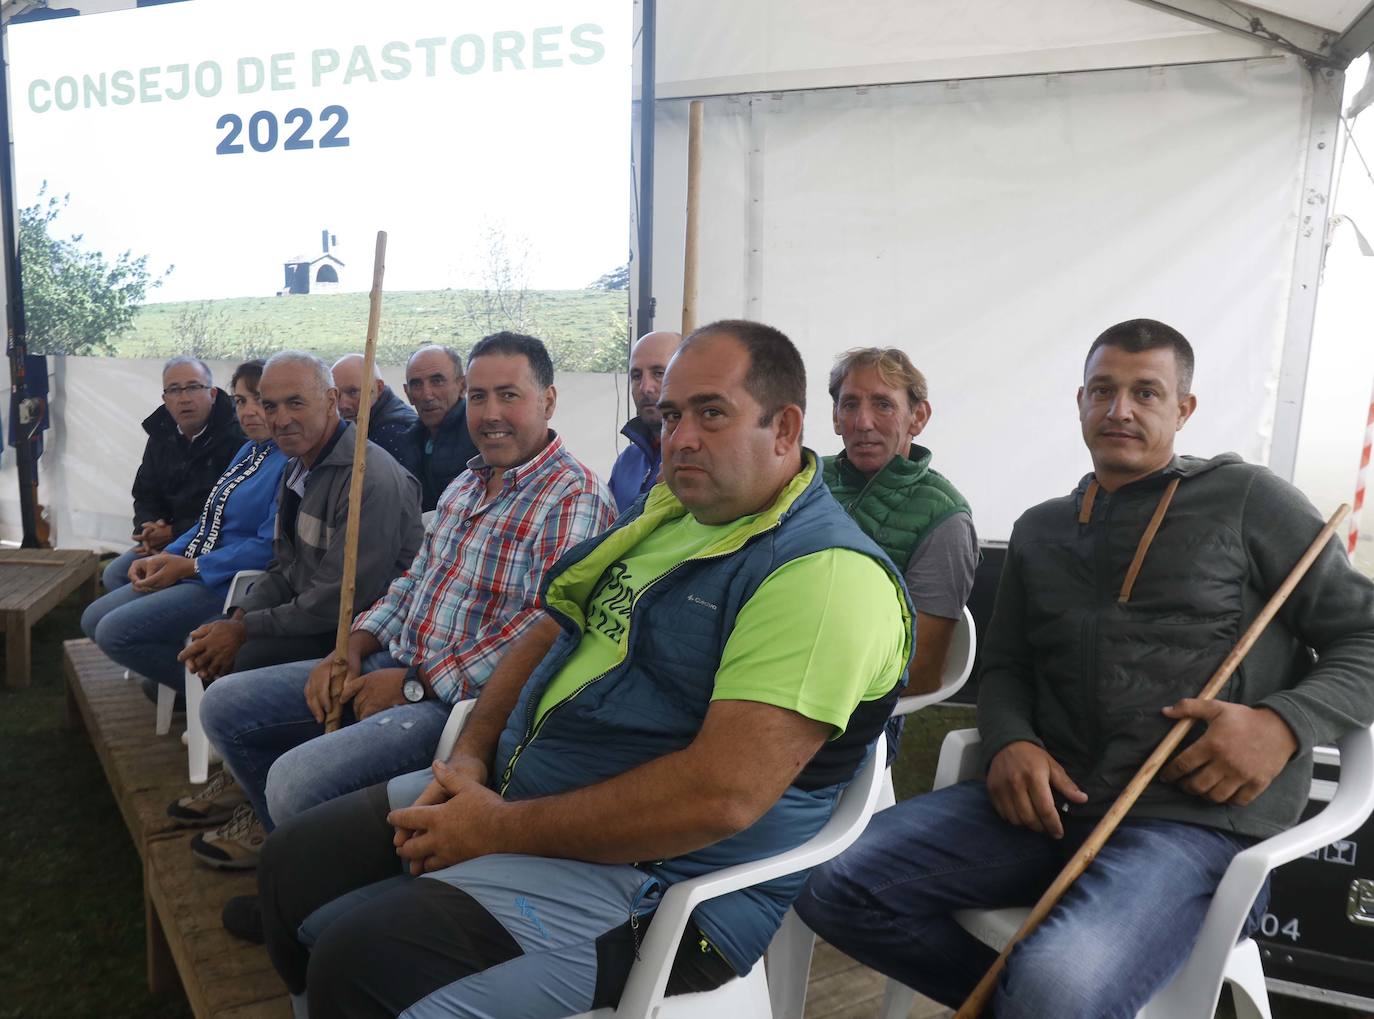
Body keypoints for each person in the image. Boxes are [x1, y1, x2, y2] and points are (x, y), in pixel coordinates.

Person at [253, 319, 912, 1019]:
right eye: (670, 414)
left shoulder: (826, 576)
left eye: (710, 412)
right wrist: (472, 754)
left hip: (656, 883)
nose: (679, 436)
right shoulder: (673, 508)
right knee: (291, 867)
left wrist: (496, 829)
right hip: (519, 793)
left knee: (358, 965)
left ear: (783, 429)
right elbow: (550, 622)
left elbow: (720, 797)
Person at [794, 318, 1374, 1019]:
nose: (1119, 409)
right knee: (829, 879)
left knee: (1059, 984)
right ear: (1080, 401)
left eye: (1145, 392)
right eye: (1102, 389)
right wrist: (1010, 739)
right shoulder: (1041, 528)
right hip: (1047, 807)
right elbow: (1006, 666)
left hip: (1190, 825)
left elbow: (1363, 636)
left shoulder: (1250, 500)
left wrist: (1286, 722)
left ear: (1183, 408)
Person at [196, 332, 614, 879]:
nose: (490, 414)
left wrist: (415, 683)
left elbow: (537, 634)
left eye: (509, 396)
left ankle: (305, 871)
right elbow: (413, 582)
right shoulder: (468, 482)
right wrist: (350, 647)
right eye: (482, 396)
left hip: (455, 707)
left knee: (293, 782)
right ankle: (296, 861)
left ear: (549, 401)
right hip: (391, 661)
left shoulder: (572, 498)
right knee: (224, 706)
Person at [163, 351, 422, 836]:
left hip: (365, 634)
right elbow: (284, 567)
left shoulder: (368, 478)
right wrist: (238, 615)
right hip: (315, 616)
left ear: (330, 402)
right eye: (271, 405)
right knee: (215, 643)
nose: (280, 419)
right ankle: (250, 781)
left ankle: (271, 818)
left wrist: (244, 631)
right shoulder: (299, 466)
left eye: (295, 403)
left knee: (246, 659)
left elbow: (339, 599)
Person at [81, 360, 287, 699]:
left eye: (259, 401)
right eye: (240, 402)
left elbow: (269, 548)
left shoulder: (287, 460)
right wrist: (166, 555)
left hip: (229, 583)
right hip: (200, 564)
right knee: (94, 618)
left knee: (112, 632)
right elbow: (208, 519)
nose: (249, 412)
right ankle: (195, 690)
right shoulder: (249, 451)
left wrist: (191, 565)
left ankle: (221, 697)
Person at [825, 347, 978, 698]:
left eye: (883, 404)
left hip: (860, 709)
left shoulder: (945, 518)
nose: (863, 422)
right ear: (835, 417)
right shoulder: (805, 480)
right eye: (850, 404)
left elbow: (920, 673)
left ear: (918, 417)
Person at [103, 356, 246, 593]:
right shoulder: (161, 433)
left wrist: (172, 532)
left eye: (193, 387)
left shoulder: (238, 437)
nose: (184, 398)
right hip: (169, 541)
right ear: (165, 400)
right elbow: (145, 492)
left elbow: (231, 512)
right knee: (114, 575)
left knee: (111, 621)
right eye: (174, 390)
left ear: (212, 394)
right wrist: (147, 528)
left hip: (213, 546)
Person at [399, 344, 478, 511]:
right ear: (407, 393)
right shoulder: (409, 439)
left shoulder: (479, 436)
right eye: (417, 384)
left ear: (462, 386)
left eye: (437, 381)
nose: (427, 395)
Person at [608, 330, 681, 511]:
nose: (645, 388)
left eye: (658, 373)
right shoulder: (626, 462)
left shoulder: (702, 460)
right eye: (636, 376)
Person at [329, 353, 417, 466]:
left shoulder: (392, 433)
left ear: (379, 387)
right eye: (337, 395)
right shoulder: (373, 419)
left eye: (353, 392)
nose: (342, 405)